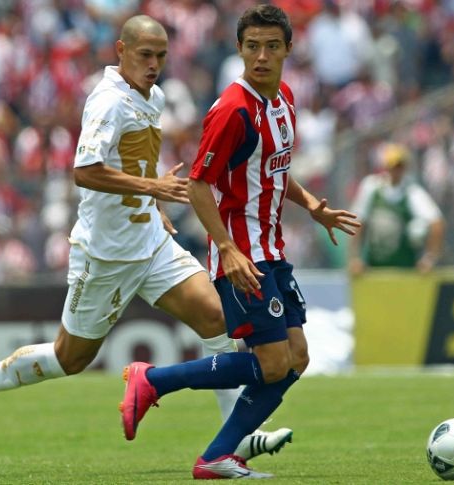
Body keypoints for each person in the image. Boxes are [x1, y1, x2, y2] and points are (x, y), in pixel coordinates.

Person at [0, 14, 293, 463]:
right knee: (71, 358)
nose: (154, 65)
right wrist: (153, 191)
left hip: (149, 240)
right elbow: (83, 171)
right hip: (105, 254)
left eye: (161, 57)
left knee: (216, 319)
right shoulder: (107, 101)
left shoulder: (154, 95)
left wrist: (156, 203)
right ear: (121, 51)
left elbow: (139, 163)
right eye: (145, 55)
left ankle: (238, 436)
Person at [119, 5, 361, 479]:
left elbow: (274, 166)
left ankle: (214, 454)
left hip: (272, 253)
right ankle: (155, 382)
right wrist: (227, 249)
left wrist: (311, 205)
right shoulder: (232, 109)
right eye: (252, 46)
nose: (262, 56)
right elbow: (197, 184)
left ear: (289, 49)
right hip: (242, 255)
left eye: (272, 46)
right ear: (239, 49)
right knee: (272, 362)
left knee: (295, 359)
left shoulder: (285, 99)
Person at [348, 142, 445, 275]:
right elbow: (358, 222)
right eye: (392, 166)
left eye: (399, 166)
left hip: (406, 272)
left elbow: (437, 223)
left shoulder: (412, 192)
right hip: (374, 271)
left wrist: (429, 259)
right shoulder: (371, 187)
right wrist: (355, 258)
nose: (395, 171)